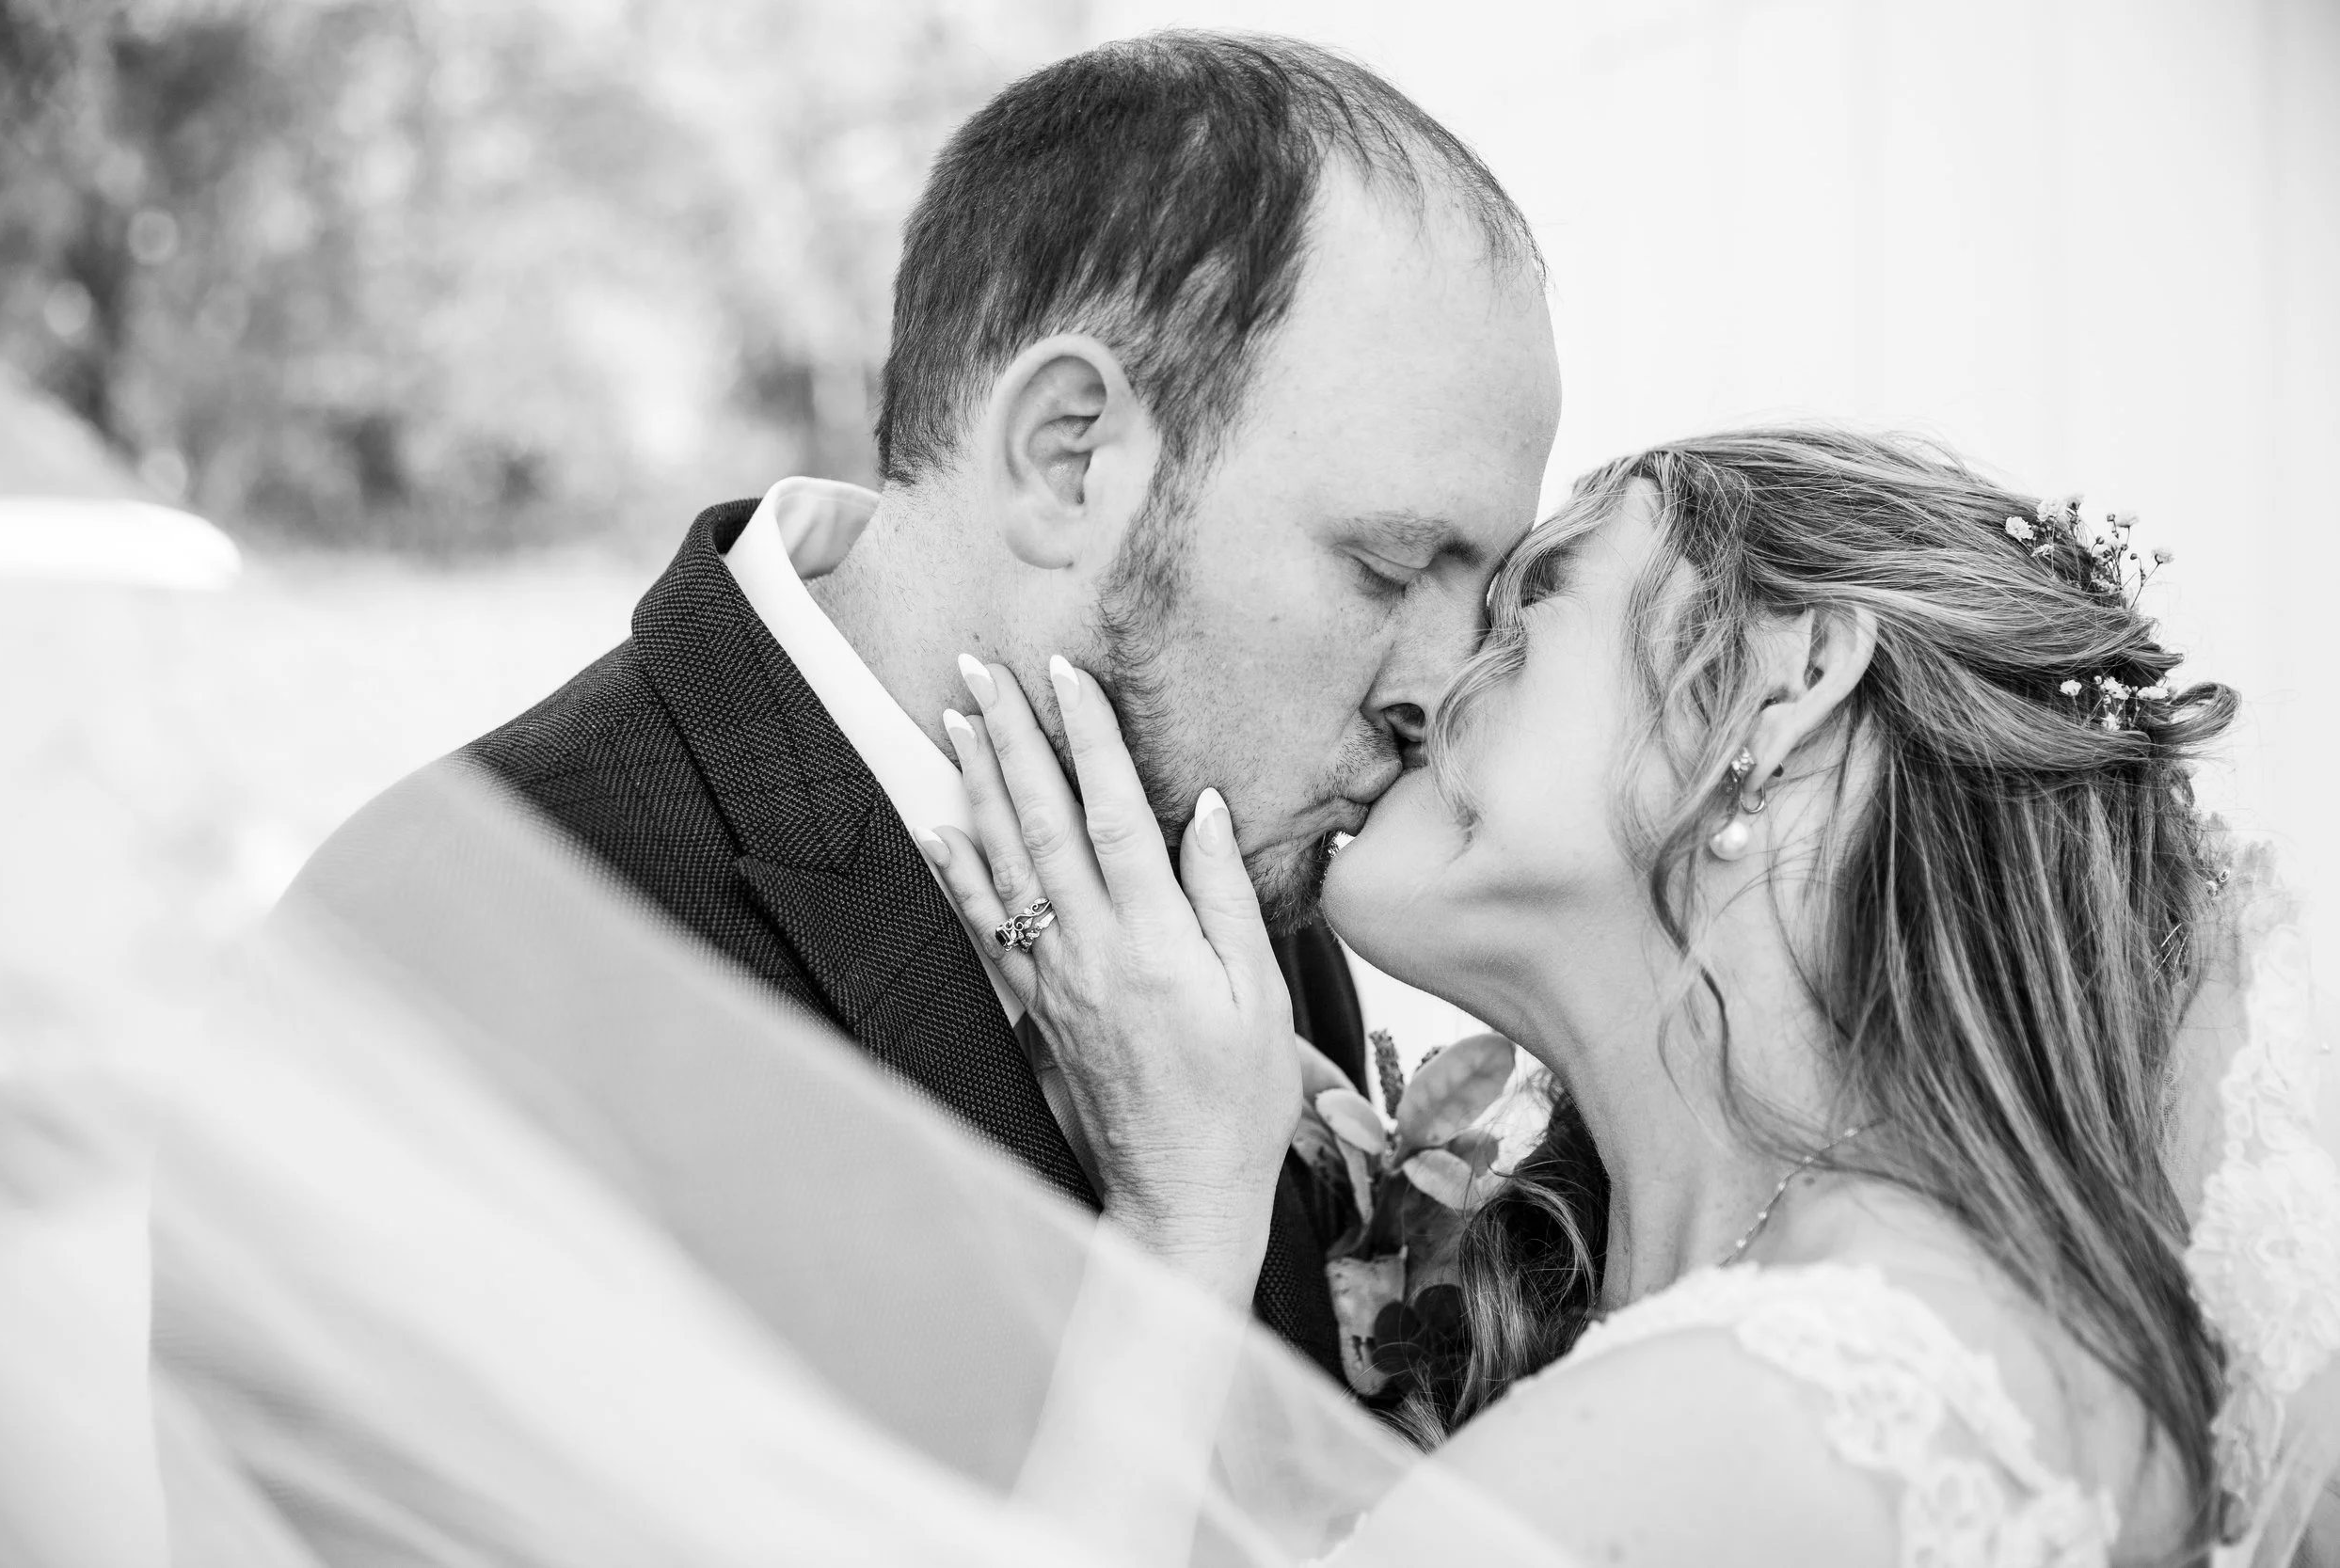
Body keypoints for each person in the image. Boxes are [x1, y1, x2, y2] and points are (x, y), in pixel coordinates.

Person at [281, 29, 1561, 1383]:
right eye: (1392, 565)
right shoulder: (437, 936)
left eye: (1483, 597)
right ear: (1067, 455)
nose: (1442, 688)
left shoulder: (1236, 880)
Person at [923, 427, 2324, 1566]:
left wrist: (1184, 1212)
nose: (1425, 690)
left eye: (1528, 615)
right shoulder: (1896, 1339)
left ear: (1788, 686)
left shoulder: (1761, 1411)